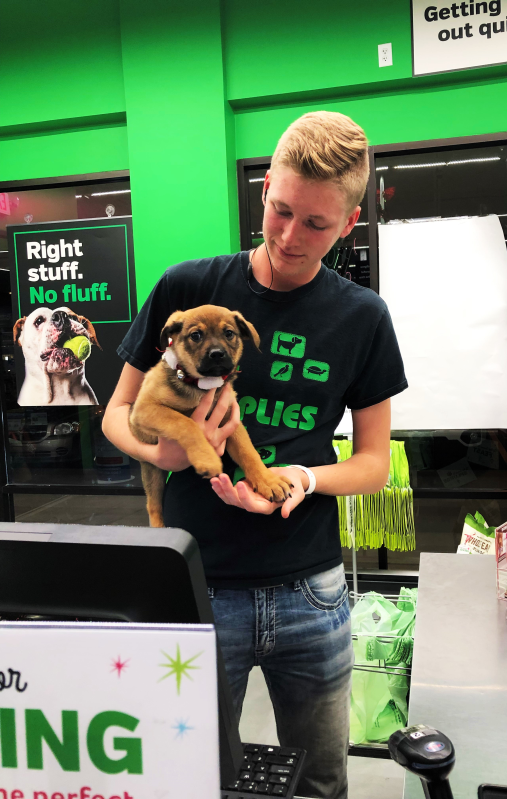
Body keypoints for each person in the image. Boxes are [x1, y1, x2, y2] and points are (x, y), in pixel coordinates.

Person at [103, 111, 407, 799]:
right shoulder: (187, 289)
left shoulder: (362, 317)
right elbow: (116, 413)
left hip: (311, 592)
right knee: (196, 776)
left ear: (350, 223)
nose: (290, 237)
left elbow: (372, 465)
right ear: (265, 188)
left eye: (316, 224)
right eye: (281, 211)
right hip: (196, 582)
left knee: (321, 781)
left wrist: (299, 477)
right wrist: (169, 451)